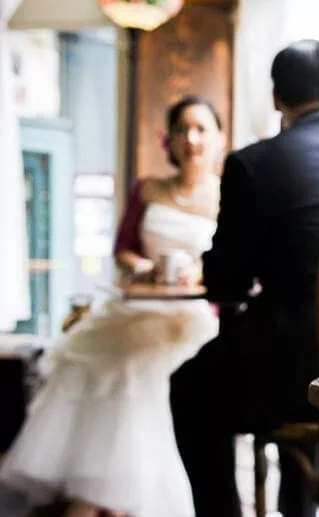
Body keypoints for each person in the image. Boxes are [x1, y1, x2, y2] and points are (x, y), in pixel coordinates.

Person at [170, 40, 319, 517]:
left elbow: (224, 283)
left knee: (191, 388)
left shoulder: (254, 164)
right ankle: (297, 505)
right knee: (294, 336)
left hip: (301, 378)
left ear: (276, 99)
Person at [0, 96, 224, 517]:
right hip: (140, 305)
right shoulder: (149, 189)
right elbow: (123, 249)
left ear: (218, 138)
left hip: (192, 314)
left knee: (133, 366)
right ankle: (97, 489)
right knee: (89, 356)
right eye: (182, 129)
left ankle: (109, 498)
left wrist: (199, 274)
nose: (191, 139)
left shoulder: (227, 195)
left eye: (201, 129)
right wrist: (146, 268)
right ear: (170, 140)